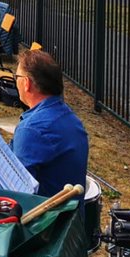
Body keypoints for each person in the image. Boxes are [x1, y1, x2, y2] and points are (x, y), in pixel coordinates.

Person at [11, 49, 88, 197]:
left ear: (26, 83)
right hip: (70, 216)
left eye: (17, 77)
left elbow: (15, 191)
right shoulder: (72, 120)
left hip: (44, 218)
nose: (16, 81)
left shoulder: (32, 129)